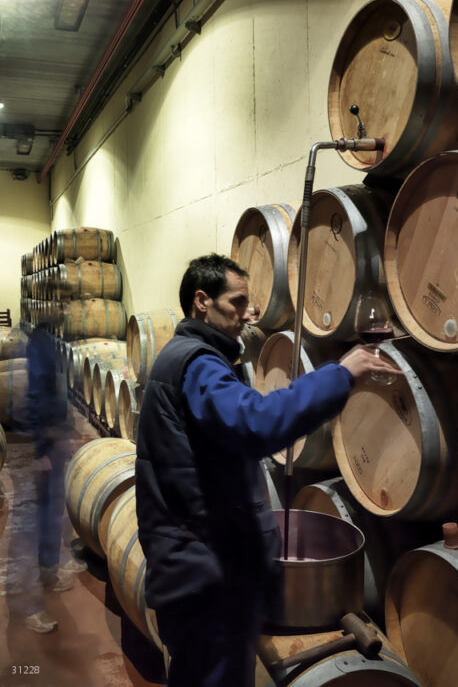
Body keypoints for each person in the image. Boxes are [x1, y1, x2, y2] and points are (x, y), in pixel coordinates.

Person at [135, 253, 400, 686]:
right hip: (204, 577)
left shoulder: (192, 356)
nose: (247, 314)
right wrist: (340, 374)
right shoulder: (198, 364)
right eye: (237, 302)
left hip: (200, 568)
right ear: (202, 301)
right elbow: (256, 423)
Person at [9, 308, 74, 633]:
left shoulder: (50, 340)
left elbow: (53, 393)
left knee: (49, 511)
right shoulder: (37, 343)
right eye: (59, 303)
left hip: (50, 442)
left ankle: (48, 569)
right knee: (27, 525)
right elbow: (33, 396)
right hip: (37, 446)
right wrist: (41, 446)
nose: (65, 310)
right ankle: (27, 604)